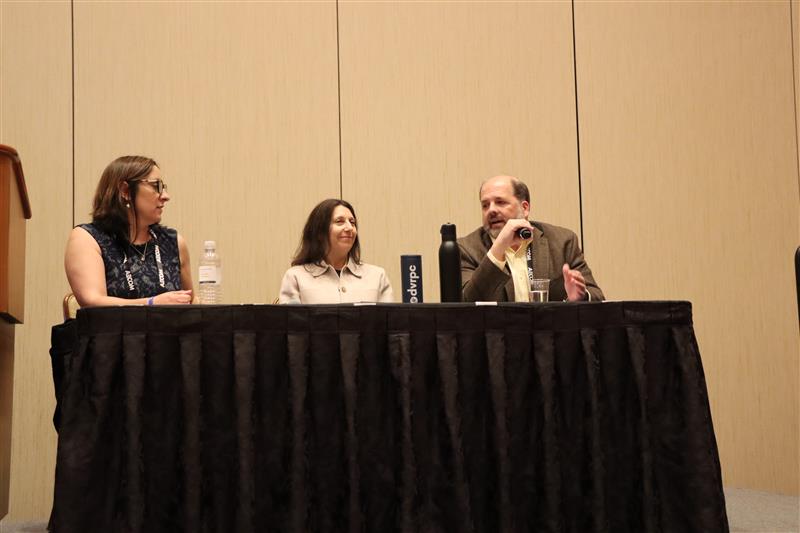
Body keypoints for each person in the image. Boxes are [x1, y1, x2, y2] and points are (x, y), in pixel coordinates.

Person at [64, 155, 193, 307]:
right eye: (156, 186)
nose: (165, 196)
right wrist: (152, 303)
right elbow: (93, 301)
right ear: (125, 191)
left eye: (163, 188)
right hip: (113, 324)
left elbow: (190, 302)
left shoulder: (173, 242)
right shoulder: (88, 239)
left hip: (169, 324)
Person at [459, 175, 604, 302]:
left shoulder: (562, 241)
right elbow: (465, 303)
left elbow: (597, 296)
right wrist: (499, 246)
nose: (491, 210)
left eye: (500, 202)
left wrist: (580, 296)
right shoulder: (467, 249)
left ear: (525, 208)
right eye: (485, 205)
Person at [279, 199, 393, 304]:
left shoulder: (378, 276)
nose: (350, 228)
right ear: (319, 232)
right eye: (340, 221)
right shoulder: (295, 277)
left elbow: (390, 319)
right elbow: (290, 319)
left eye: (352, 222)